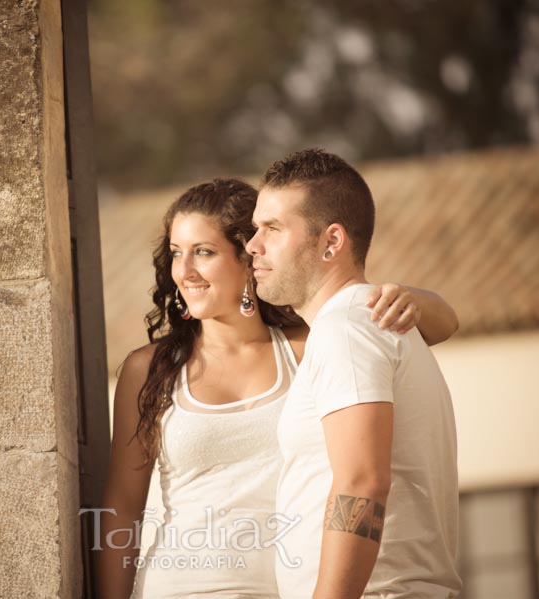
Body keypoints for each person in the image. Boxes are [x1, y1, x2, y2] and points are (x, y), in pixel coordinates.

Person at [97, 178, 459, 599]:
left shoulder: (312, 344)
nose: (184, 270)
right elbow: (122, 508)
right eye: (177, 253)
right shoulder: (149, 370)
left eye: (204, 252)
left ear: (247, 256)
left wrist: (411, 297)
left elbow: (438, 327)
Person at [246, 149, 462, 599]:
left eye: (273, 228)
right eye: (255, 228)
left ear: (332, 241)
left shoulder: (346, 329)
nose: (253, 245)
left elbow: (362, 483)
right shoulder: (363, 322)